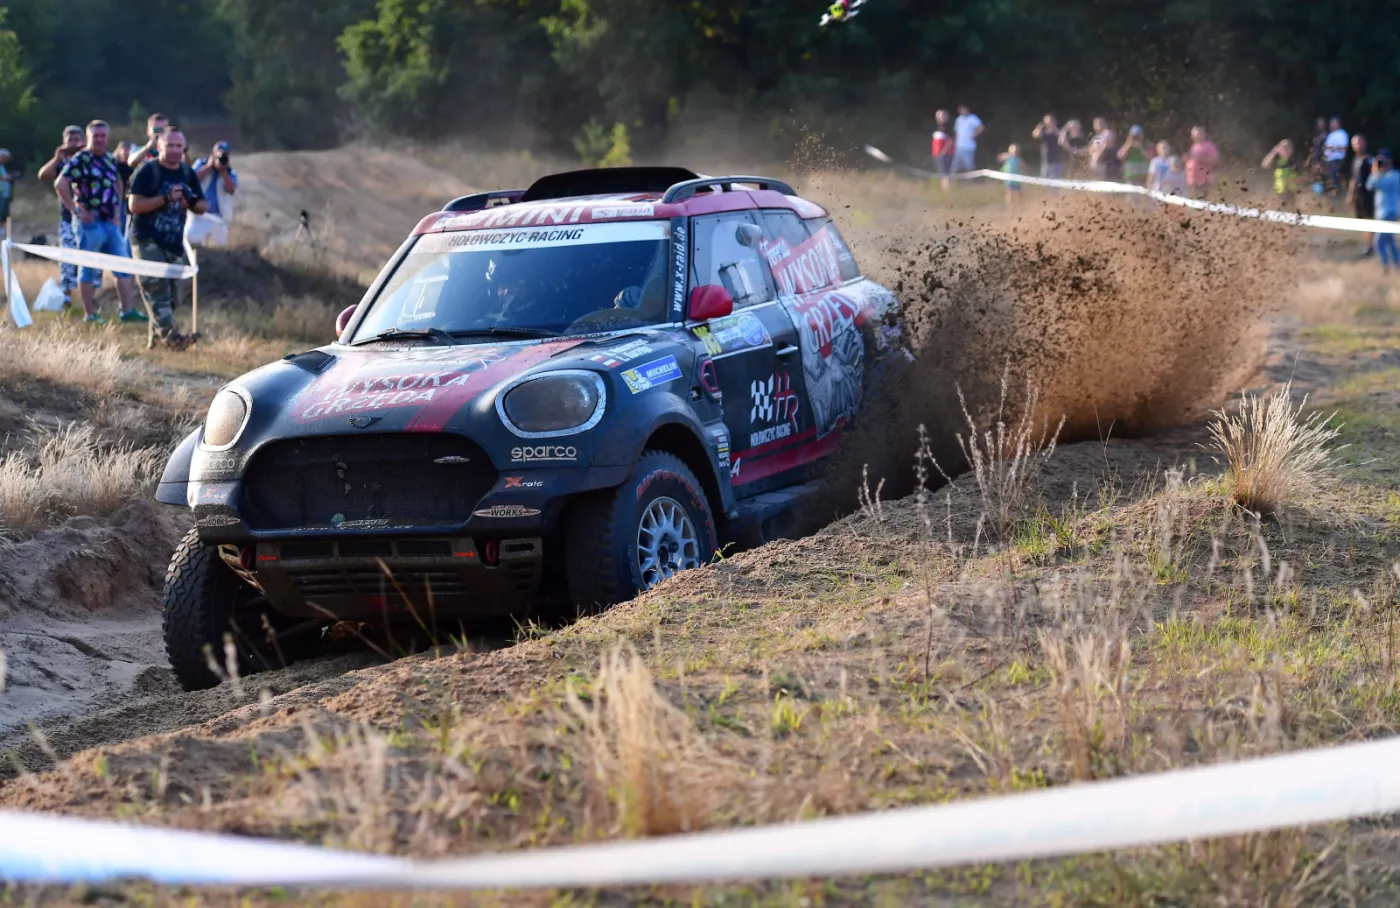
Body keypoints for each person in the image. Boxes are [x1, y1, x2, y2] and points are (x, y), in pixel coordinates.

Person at [55, 120, 142, 324]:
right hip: (89, 222)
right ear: (89, 138)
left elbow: (118, 182)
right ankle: (90, 314)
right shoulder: (81, 159)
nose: (100, 140)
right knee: (88, 268)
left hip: (110, 221)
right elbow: (60, 183)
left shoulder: (109, 159)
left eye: (103, 136)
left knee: (123, 265)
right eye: (96, 136)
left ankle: (127, 311)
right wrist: (75, 210)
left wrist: (117, 211)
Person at [129, 127, 206, 349]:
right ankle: (173, 339)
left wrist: (190, 202)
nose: (174, 150)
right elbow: (134, 205)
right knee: (156, 290)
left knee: (174, 296)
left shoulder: (187, 173)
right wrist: (165, 198)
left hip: (174, 242)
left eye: (178, 146)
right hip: (146, 239)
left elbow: (203, 205)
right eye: (169, 145)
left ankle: (156, 340)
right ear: (159, 146)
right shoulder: (148, 171)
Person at [37, 125, 86, 307]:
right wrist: (57, 158)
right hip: (68, 217)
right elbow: (43, 175)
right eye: (70, 139)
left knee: (89, 257)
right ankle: (66, 296)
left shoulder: (88, 158)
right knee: (67, 256)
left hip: (90, 216)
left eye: (77, 139)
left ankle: (89, 295)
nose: (73, 143)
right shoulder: (61, 162)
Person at [189, 141, 238, 247]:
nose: (221, 158)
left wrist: (223, 173)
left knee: (218, 248)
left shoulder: (230, 173)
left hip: (219, 217)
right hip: (199, 214)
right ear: (213, 154)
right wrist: (208, 167)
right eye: (220, 154)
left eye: (225, 155)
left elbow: (231, 190)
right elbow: (192, 180)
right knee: (193, 242)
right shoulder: (201, 164)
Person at [1366, 150, 1399, 275]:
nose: (1382, 163)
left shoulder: (1394, 175)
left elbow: (1382, 185)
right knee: (1390, 241)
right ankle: (1397, 265)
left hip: (1390, 211)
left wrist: (1376, 172)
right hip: (1380, 212)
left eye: (1383, 160)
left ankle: (1385, 267)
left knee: (1379, 241)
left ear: (1390, 161)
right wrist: (1375, 170)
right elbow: (1369, 185)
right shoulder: (1379, 174)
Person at [1346, 134, 1374, 256]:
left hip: (1368, 195)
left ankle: (1371, 245)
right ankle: (1368, 244)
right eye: (1355, 143)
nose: (1357, 145)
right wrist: (1351, 194)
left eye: (1359, 142)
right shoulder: (1355, 160)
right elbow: (1354, 178)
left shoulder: (1369, 160)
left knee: (1369, 219)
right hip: (1359, 196)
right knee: (1362, 220)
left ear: (1364, 143)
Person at [1261, 138, 1299, 206]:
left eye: (1288, 147)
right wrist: (1273, 152)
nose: (1286, 150)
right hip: (1279, 194)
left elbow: (1303, 175)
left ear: (1292, 149)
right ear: (1280, 149)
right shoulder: (1277, 160)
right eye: (1283, 147)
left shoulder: (1296, 160)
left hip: (1292, 194)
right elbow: (1264, 165)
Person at [1185, 126, 1219, 198]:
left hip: (1204, 180)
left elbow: (1215, 160)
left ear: (1203, 135)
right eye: (1194, 135)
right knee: (1192, 200)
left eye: (1199, 134)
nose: (1197, 137)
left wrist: (1200, 159)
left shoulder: (1209, 146)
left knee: (1204, 200)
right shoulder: (1193, 147)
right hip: (1192, 180)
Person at [952, 104, 983, 176]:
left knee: (969, 166)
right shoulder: (958, 119)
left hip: (968, 146)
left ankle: (970, 180)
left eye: (963, 109)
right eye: (960, 109)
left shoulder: (972, 118)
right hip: (959, 146)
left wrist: (973, 135)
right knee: (955, 165)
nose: (962, 111)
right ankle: (955, 180)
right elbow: (956, 132)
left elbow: (981, 127)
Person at [1322, 117, 1349, 200]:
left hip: (1337, 160)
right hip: (1328, 161)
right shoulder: (1330, 135)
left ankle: (1339, 196)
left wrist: (1333, 148)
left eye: (1335, 122)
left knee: (1336, 180)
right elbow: (1325, 147)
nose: (1333, 124)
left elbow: (1344, 148)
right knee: (1329, 180)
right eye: (1332, 123)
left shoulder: (1342, 134)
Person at [1032, 114, 1064, 180]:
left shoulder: (1058, 132)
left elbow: (1062, 140)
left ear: (1054, 122)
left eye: (1049, 122)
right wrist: (1039, 127)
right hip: (1046, 161)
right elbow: (1035, 135)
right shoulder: (1044, 133)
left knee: (1055, 181)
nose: (1048, 124)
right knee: (1044, 180)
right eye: (1046, 122)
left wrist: (1054, 129)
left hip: (1057, 161)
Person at [0, 149, 14, 234]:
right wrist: (5, 178)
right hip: (0, 192)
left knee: (4, 211)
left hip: (5, 192)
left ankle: (1, 227)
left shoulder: (2, 166)